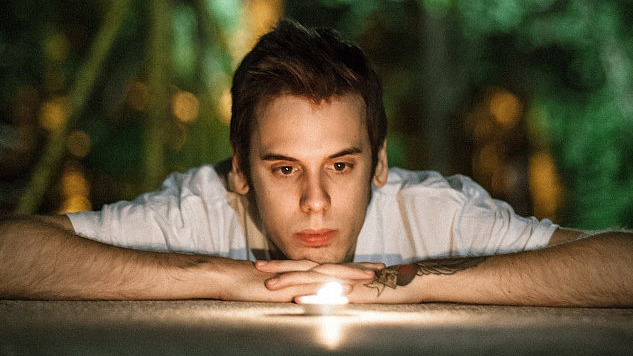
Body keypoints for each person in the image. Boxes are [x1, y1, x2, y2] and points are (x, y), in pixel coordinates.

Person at [1, 20, 631, 306]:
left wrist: (404, 283)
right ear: (240, 172)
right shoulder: (201, 207)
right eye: (283, 168)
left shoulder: (433, 212)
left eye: (340, 165)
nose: (315, 202)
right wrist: (227, 278)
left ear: (379, 164)